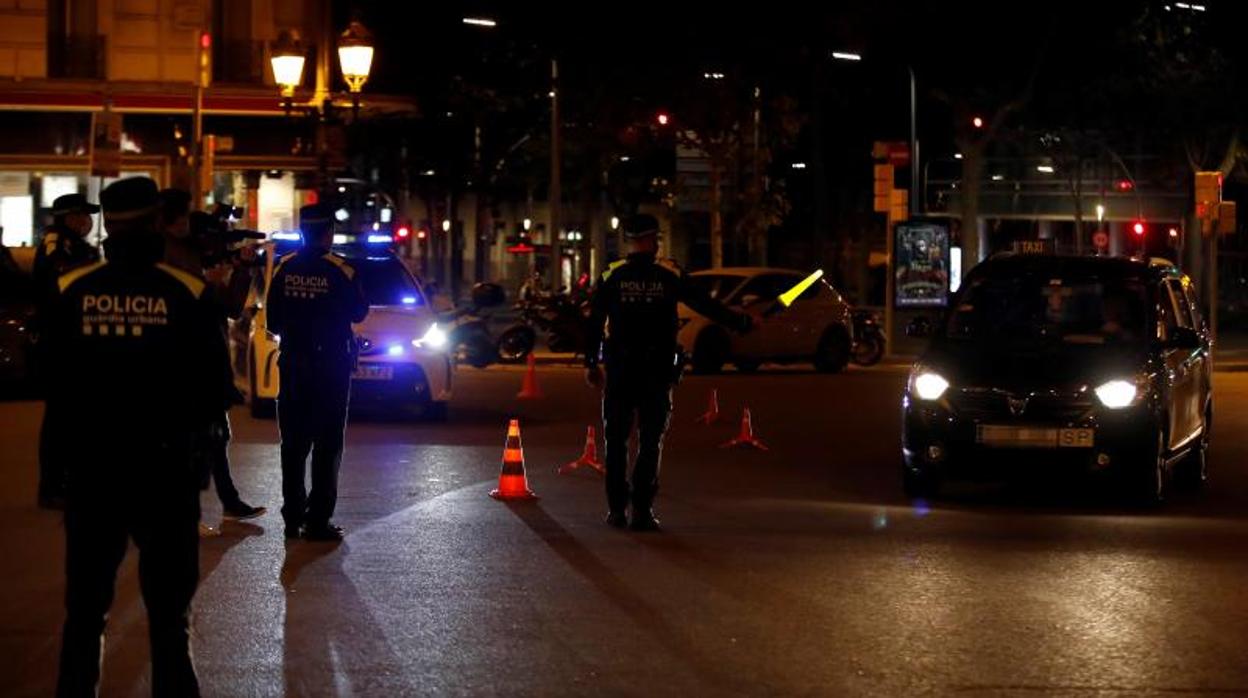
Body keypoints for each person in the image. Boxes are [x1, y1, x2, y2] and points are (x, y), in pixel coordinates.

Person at [45, 177, 230, 697]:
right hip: (164, 476)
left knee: (85, 610)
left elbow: (56, 391)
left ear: (107, 227)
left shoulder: (72, 291)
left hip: (91, 473)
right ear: (154, 225)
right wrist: (198, 467)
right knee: (169, 614)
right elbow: (214, 392)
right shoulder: (187, 293)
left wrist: (51, 473)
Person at [584, 214, 754, 531]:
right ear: (652, 240)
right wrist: (740, 323)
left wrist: (590, 363)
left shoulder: (612, 274)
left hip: (621, 369)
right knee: (651, 441)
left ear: (629, 240)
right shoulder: (670, 273)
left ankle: (616, 511)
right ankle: (642, 512)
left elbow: (595, 321)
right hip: (656, 370)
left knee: (616, 440)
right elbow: (705, 305)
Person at [158, 189, 265, 527]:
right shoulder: (168, 256)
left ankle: (228, 501)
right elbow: (187, 305)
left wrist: (241, 268)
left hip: (207, 359)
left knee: (216, 433)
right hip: (185, 361)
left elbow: (231, 307)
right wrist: (209, 282)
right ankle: (181, 511)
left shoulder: (192, 254)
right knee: (191, 439)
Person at [265, 203, 368, 541]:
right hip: (331, 368)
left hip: (293, 363)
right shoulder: (342, 269)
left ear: (302, 232)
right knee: (327, 445)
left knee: (292, 444)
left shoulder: (283, 267)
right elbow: (358, 313)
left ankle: (292, 517)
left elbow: (273, 322)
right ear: (328, 233)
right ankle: (318, 521)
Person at [34, 193, 101, 510]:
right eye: (81, 215)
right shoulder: (56, 243)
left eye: (88, 216)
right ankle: (51, 487)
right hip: (61, 342)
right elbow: (57, 283)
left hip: (75, 342)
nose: (86, 221)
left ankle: (65, 482)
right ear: (66, 217)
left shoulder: (77, 246)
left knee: (73, 416)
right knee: (60, 417)